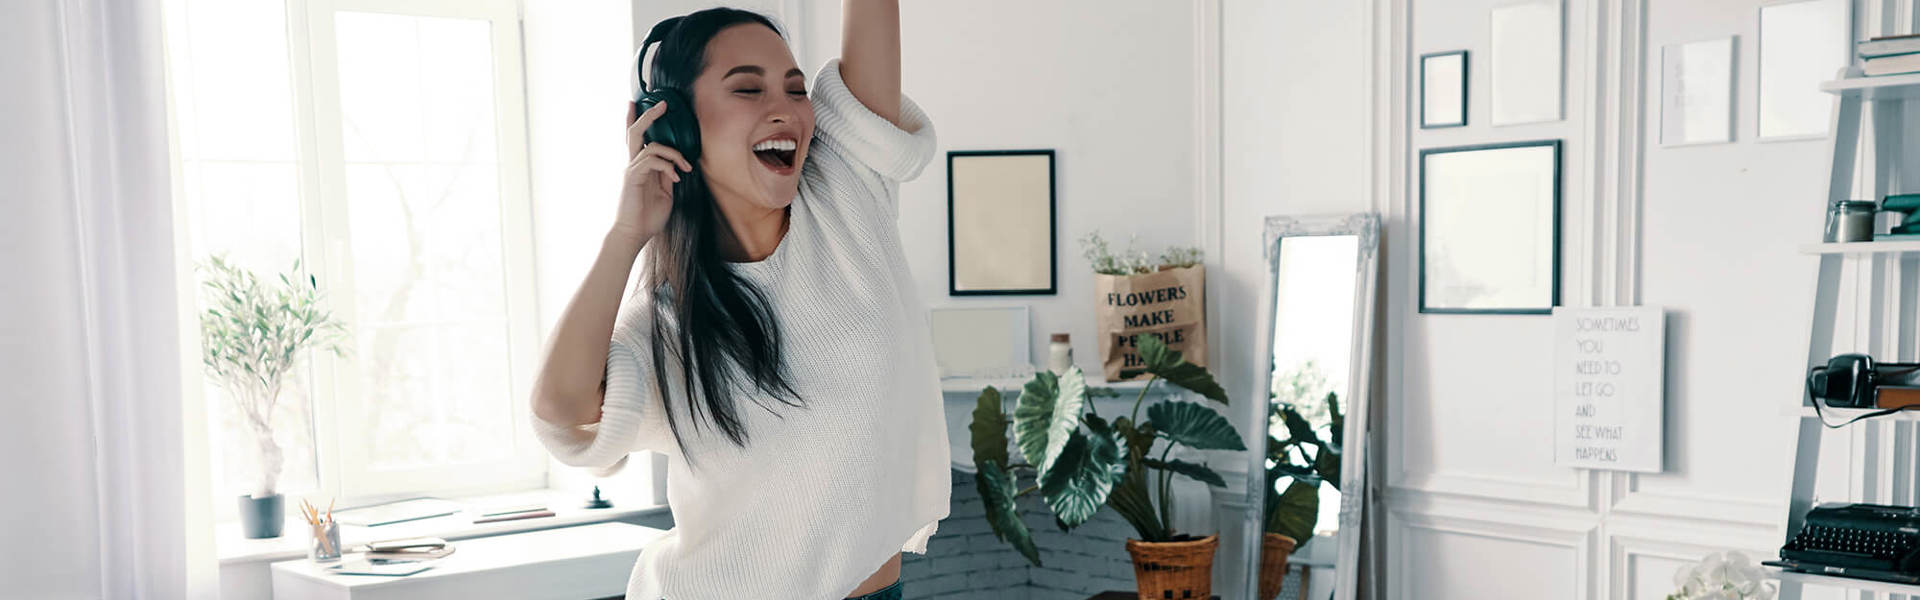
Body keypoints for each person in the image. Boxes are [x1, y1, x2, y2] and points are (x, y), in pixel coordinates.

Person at [527, 2, 947, 599]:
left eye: (796, 89)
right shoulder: (670, 322)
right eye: (748, 88)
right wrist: (626, 237)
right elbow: (558, 410)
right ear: (675, 128)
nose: (786, 109)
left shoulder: (850, 190)